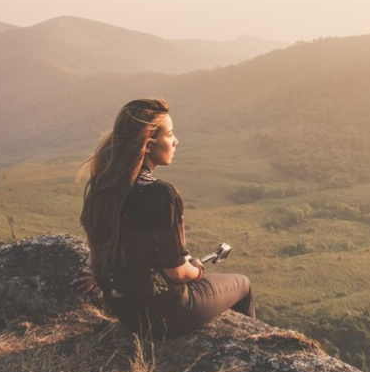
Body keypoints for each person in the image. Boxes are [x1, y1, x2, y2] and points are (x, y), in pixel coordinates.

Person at [77, 98, 255, 339]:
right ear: (148, 143)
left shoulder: (105, 186)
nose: (175, 141)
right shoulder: (162, 194)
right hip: (164, 315)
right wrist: (197, 269)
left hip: (127, 315)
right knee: (243, 285)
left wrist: (102, 272)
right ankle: (252, 351)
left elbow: (117, 242)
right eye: (169, 134)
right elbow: (176, 274)